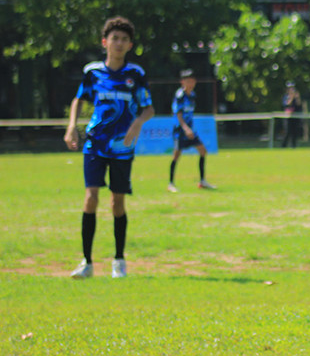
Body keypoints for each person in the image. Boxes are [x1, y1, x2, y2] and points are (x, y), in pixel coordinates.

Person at [63, 16, 153, 279]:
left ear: (130, 45)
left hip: (122, 147)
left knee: (117, 202)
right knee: (91, 197)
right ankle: (87, 262)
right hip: (95, 144)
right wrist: (71, 126)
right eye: (114, 38)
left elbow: (149, 108)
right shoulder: (93, 72)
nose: (119, 43)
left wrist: (137, 123)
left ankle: (119, 260)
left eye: (124, 39)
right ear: (105, 42)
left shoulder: (135, 74)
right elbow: (78, 100)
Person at [167, 69, 215, 192]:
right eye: (188, 81)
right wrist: (185, 128)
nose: (190, 83)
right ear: (182, 82)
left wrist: (190, 129)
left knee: (203, 151)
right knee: (176, 155)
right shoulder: (180, 96)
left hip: (190, 130)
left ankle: (202, 181)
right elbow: (178, 114)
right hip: (181, 130)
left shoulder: (192, 95)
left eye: (192, 81)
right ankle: (171, 183)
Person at [282, 82, 303, 148]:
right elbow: (287, 104)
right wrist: (291, 97)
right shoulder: (286, 97)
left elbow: (299, 104)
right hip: (288, 117)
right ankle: (284, 146)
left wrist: (297, 97)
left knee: (295, 132)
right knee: (287, 132)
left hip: (295, 117)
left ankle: (294, 146)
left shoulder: (296, 96)